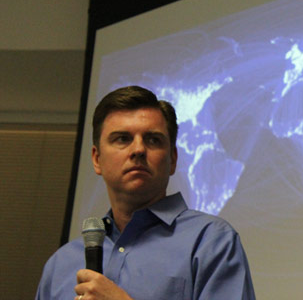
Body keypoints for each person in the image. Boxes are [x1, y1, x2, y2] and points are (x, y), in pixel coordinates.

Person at [36, 86, 255, 300]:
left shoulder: (210, 241)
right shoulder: (60, 265)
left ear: (173, 159)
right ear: (96, 159)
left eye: (153, 140)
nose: (138, 150)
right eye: (122, 138)